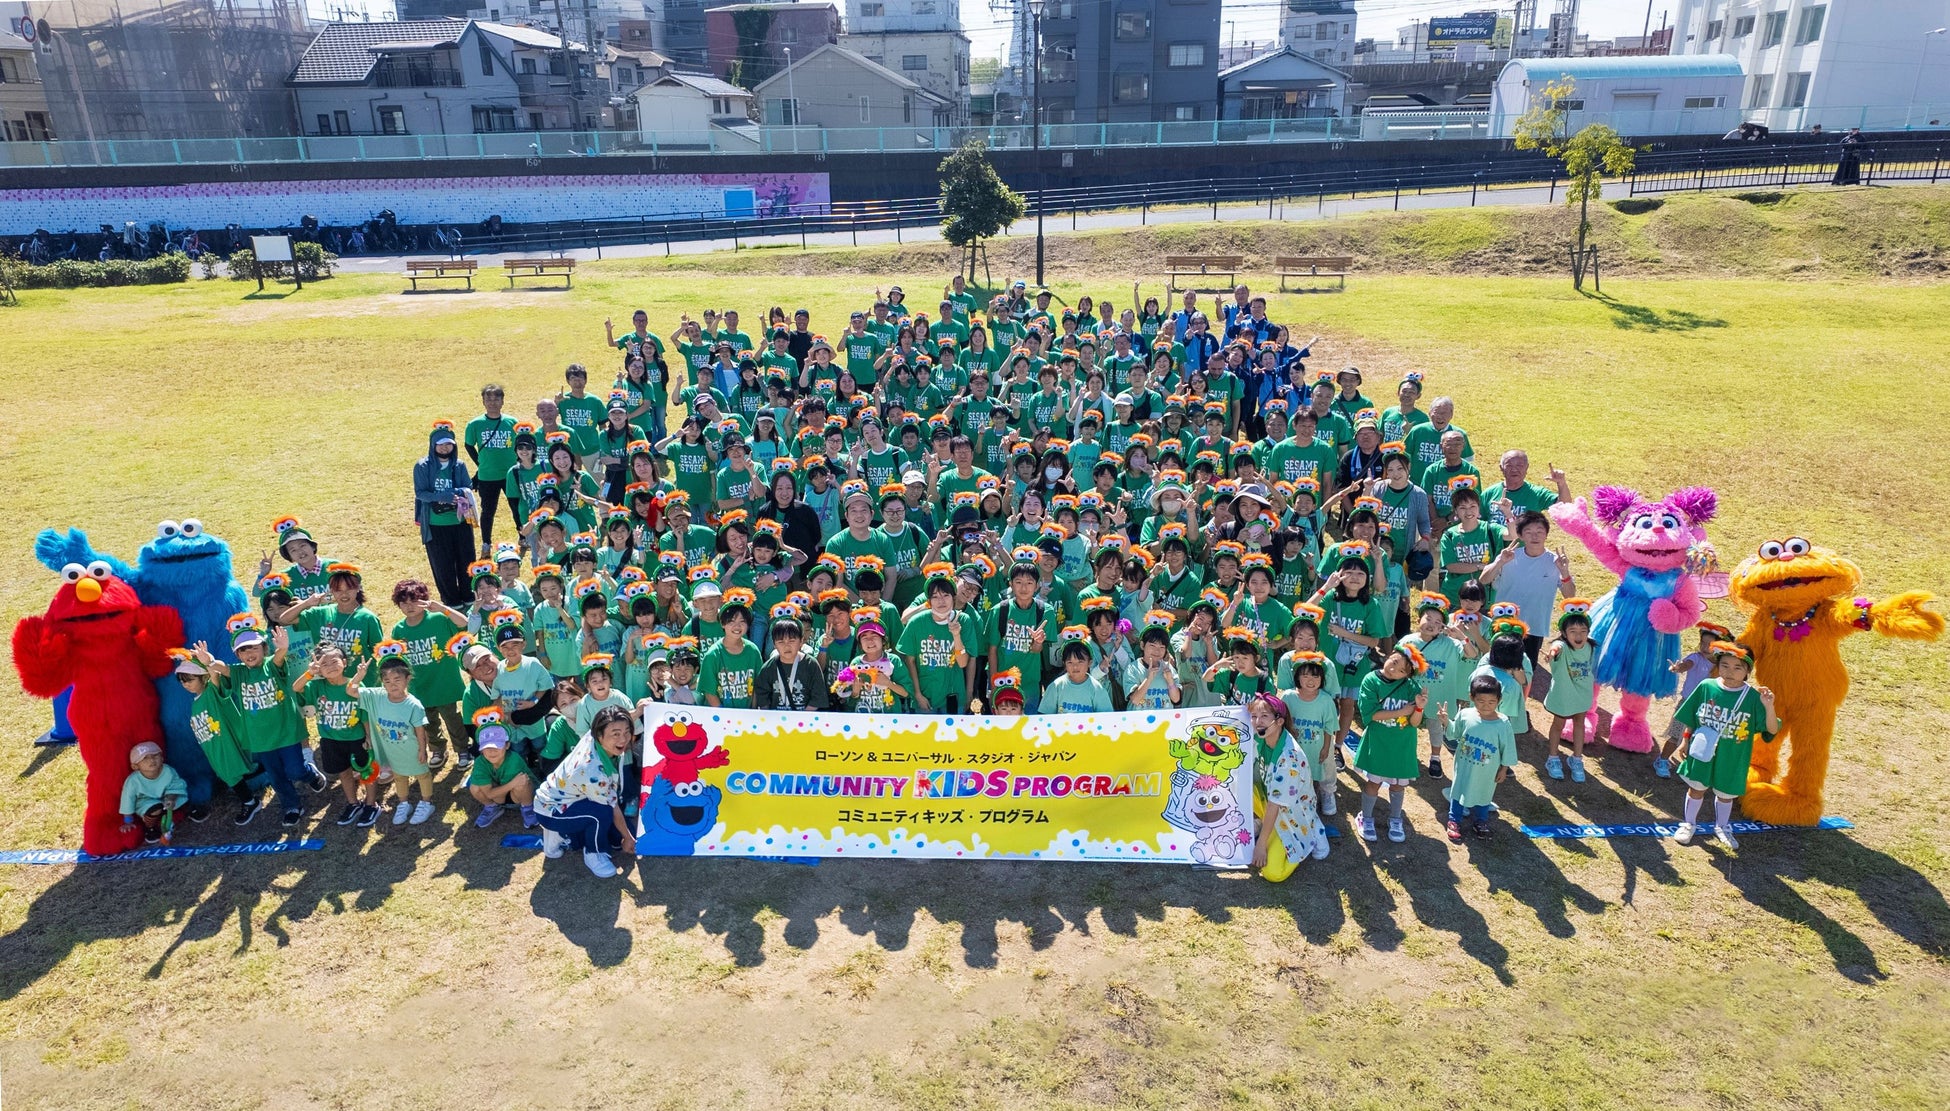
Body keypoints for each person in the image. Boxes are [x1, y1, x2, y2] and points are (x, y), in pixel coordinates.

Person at [1671, 641, 1780, 849]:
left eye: (1737, 667)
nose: (1730, 672)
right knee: (1696, 788)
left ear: (1748, 670)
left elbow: (1772, 730)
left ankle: (1722, 826)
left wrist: (1769, 706)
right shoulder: (1706, 687)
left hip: (1733, 756)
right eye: (1725, 665)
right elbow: (1692, 717)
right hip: (1703, 752)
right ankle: (1688, 824)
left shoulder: (1753, 698)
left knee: (1725, 794)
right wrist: (1685, 740)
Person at [534, 704, 638, 877]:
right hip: (551, 809)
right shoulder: (592, 772)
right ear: (599, 735)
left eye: (627, 732)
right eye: (616, 734)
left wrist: (640, 710)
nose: (623, 739)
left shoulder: (593, 735)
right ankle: (593, 854)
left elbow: (617, 723)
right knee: (602, 814)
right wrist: (627, 837)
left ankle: (564, 834)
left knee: (618, 839)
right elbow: (612, 807)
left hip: (570, 798)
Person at [171, 645, 266, 825]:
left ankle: (251, 803)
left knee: (233, 774)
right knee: (232, 774)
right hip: (214, 748)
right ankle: (266, 771)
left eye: (189, 679)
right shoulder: (195, 703)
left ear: (203, 677)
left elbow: (215, 676)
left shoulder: (212, 692)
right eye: (182, 681)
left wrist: (208, 662)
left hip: (227, 744)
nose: (185, 684)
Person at [1249, 693, 1329, 881]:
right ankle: (1261, 822)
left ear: (1279, 721)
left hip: (1290, 814)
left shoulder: (1289, 758)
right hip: (1268, 800)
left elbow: (1276, 804)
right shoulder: (1262, 736)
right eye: (1254, 716)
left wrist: (1261, 845)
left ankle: (1312, 833)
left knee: (1273, 874)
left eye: (1264, 716)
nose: (1257, 722)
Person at [1353, 644, 1427, 843]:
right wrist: (1400, 712)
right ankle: (1365, 817)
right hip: (1378, 743)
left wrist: (1418, 709)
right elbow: (1370, 714)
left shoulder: (1412, 688)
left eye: (1402, 670)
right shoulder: (1370, 680)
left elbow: (1414, 723)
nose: (1394, 670)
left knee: (1397, 785)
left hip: (1402, 745)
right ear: (1388, 655)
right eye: (1394, 662)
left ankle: (1395, 818)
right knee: (1373, 782)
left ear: (1408, 675)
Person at [1438, 674, 1521, 843]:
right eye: (1481, 701)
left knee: (1485, 792)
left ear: (1499, 700)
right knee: (1459, 789)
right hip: (1464, 765)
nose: (1486, 706)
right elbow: (1454, 733)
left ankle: (1481, 821)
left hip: (1488, 770)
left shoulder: (1502, 723)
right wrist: (1446, 721)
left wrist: (1504, 769)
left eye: (1491, 702)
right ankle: (1454, 820)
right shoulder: (1466, 715)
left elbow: (1508, 748)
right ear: (1472, 697)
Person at [361, 644, 435, 826]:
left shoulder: (413, 705)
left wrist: (422, 749)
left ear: (407, 679)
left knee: (422, 775)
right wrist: (360, 676)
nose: (392, 685)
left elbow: (420, 730)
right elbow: (350, 690)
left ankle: (427, 803)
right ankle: (403, 803)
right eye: (387, 681)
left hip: (412, 749)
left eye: (397, 680)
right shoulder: (379, 698)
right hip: (393, 751)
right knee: (400, 776)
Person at [414, 421, 477, 606]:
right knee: (443, 566)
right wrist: (444, 496)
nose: (444, 447)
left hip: (460, 522)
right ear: (433, 445)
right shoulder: (422, 466)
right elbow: (421, 493)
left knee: (466, 562)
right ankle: (451, 602)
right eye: (440, 444)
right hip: (436, 525)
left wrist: (458, 494)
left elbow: (468, 486)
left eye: (448, 444)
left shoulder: (459, 465)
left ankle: (469, 598)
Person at [1656, 622, 1728, 778]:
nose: (1704, 647)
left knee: (1697, 738)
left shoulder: (1721, 666)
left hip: (1707, 709)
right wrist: (1677, 668)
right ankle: (1662, 760)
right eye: (1702, 643)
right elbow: (1686, 665)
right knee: (1676, 734)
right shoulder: (1696, 658)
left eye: (1709, 644)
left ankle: (1690, 766)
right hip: (1687, 704)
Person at [1541, 600, 1598, 783]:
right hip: (1563, 695)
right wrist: (1552, 652)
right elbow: (1556, 647)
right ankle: (1553, 758)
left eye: (1583, 631)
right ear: (1564, 634)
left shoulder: (1590, 646)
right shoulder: (1562, 647)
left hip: (1582, 693)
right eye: (1573, 632)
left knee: (1579, 723)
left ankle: (1577, 758)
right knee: (1558, 724)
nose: (1579, 635)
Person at [464, 385, 520, 556]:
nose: (493, 403)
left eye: (496, 399)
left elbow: (521, 444)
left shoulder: (512, 422)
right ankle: (486, 543)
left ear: (502, 401)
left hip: (510, 474)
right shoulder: (475, 424)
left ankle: (523, 536)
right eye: (489, 399)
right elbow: (469, 445)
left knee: (516, 506)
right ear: (483, 401)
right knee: (488, 510)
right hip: (487, 476)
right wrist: (480, 464)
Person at [467, 710, 536, 828]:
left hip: (518, 795)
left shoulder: (513, 759)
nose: (492, 751)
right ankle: (491, 807)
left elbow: (497, 794)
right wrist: (511, 784)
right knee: (474, 787)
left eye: (497, 746)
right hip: (500, 795)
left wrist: (497, 791)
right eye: (487, 747)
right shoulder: (480, 762)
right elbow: (495, 796)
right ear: (481, 749)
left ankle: (528, 808)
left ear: (507, 745)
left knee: (523, 783)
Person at [753, 611, 830, 710]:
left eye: (792, 641)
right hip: (776, 720)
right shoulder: (769, 667)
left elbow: (818, 696)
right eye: (781, 642)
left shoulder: (811, 664)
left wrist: (801, 719)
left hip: (805, 721)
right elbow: (762, 696)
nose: (787, 646)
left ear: (801, 641)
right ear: (774, 645)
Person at [120, 741, 188, 846]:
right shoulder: (133, 781)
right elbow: (127, 799)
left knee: (183, 798)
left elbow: (176, 785)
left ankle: (184, 812)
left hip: (166, 797)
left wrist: (171, 798)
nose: (151, 760)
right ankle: (150, 828)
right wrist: (128, 820)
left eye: (155, 755)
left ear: (162, 758)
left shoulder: (168, 771)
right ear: (135, 766)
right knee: (154, 810)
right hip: (145, 802)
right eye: (145, 758)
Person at [1039, 629, 1114, 713]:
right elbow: (1044, 715)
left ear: (1090, 662)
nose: (1075, 667)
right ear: (1064, 663)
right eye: (1070, 662)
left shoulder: (1096, 689)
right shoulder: (1056, 687)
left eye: (1080, 662)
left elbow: (1106, 717)